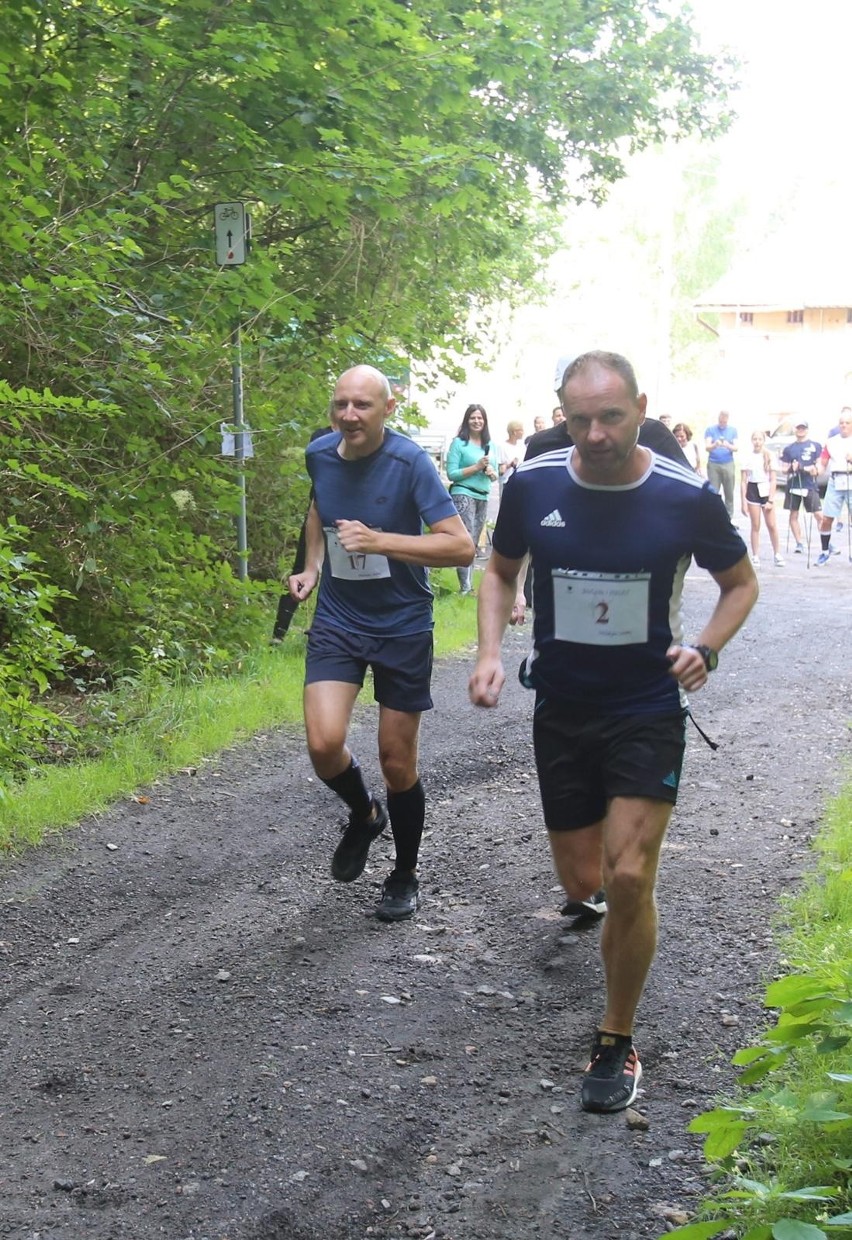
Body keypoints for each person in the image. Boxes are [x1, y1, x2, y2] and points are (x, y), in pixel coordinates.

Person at [469, 350, 757, 1114]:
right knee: (585, 882)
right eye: (579, 418)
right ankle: (605, 903)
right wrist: (492, 652)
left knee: (631, 876)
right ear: (562, 415)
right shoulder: (533, 483)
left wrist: (706, 647)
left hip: (646, 704)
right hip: (561, 705)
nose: (595, 433)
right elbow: (500, 571)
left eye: (611, 416)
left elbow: (740, 583)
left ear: (640, 409)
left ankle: (616, 1037)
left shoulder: (684, 495)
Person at [288, 365, 474, 921]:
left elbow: (460, 547)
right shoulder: (320, 453)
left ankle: (404, 872)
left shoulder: (410, 461)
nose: (349, 416)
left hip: (402, 624)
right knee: (324, 744)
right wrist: (312, 566)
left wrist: (380, 542)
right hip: (340, 619)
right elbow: (320, 508)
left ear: (388, 409)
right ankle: (365, 814)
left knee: (397, 761)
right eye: (340, 404)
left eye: (362, 406)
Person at [271, 423, 335, 642]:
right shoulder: (321, 436)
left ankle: (320, 630)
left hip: (346, 516)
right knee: (302, 568)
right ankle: (278, 633)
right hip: (317, 514)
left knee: (336, 574)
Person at [446, 404, 499, 594]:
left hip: (482, 495)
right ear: (467, 421)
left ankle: (468, 585)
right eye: (473, 418)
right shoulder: (459, 444)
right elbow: (452, 473)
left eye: (480, 418)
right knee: (465, 539)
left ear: (485, 422)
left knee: (474, 541)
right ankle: (465, 587)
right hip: (463, 493)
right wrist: (476, 467)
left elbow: (495, 476)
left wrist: (492, 473)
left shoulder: (491, 445)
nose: (477, 421)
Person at [741, 429, 784, 568]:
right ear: (751, 441)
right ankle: (755, 555)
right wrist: (743, 501)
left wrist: (771, 499)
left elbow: (773, 479)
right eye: (755, 439)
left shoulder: (769, 455)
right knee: (755, 525)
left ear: (764, 441)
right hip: (753, 489)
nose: (757, 442)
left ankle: (777, 553)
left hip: (765, 489)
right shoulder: (748, 456)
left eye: (760, 439)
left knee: (771, 525)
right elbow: (743, 480)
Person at [816, 409, 852, 565]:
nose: (844, 425)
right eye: (841, 423)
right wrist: (815, 469)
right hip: (836, 480)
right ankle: (825, 551)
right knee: (826, 518)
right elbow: (822, 463)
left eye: (847, 423)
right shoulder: (832, 441)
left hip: (850, 477)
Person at [780, 421, 822, 554]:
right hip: (794, 485)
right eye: (798, 428)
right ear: (795, 429)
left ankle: (826, 541)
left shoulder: (815, 446)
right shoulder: (789, 449)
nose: (801, 430)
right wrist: (790, 468)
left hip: (809, 485)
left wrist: (805, 468)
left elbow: (818, 468)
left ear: (807, 429)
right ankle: (799, 542)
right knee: (794, 515)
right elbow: (784, 469)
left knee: (819, 515)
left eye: (803, 428)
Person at [704, 411, 738, 516]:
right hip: (714, 463)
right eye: (721, 420)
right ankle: (714, 516)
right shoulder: (710, 430)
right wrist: (715, 444)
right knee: (713, 492)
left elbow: (736, 448)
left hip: (728, 463)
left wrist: (727, 445)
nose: (722, 422)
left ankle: (729, 516)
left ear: (727, 419)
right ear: (718, 418)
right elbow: (707, 447)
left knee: (729, 492)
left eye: (725, 420)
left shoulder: (732, 430)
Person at [499, 420, 525, 496]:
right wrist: (510, 465)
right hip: (506, 483)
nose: (523, 432)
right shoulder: (502, 447)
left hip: (520, 482)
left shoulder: (522, 446)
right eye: (521, 430)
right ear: (514, 432)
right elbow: (500, 470)